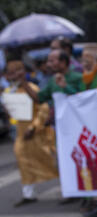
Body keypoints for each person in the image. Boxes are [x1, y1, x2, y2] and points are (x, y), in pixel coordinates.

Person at [3, 61, 59, 207]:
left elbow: (43, 109)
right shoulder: (10, 91)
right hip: (21, 133)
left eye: (16, 71)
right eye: (11, 72)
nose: (13, 75)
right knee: (22, 159)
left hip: (37, 133)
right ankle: (28, 193)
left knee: (49, 161)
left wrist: (34, 127)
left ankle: (68, 188)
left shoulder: (32, 88)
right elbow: (12, 113)